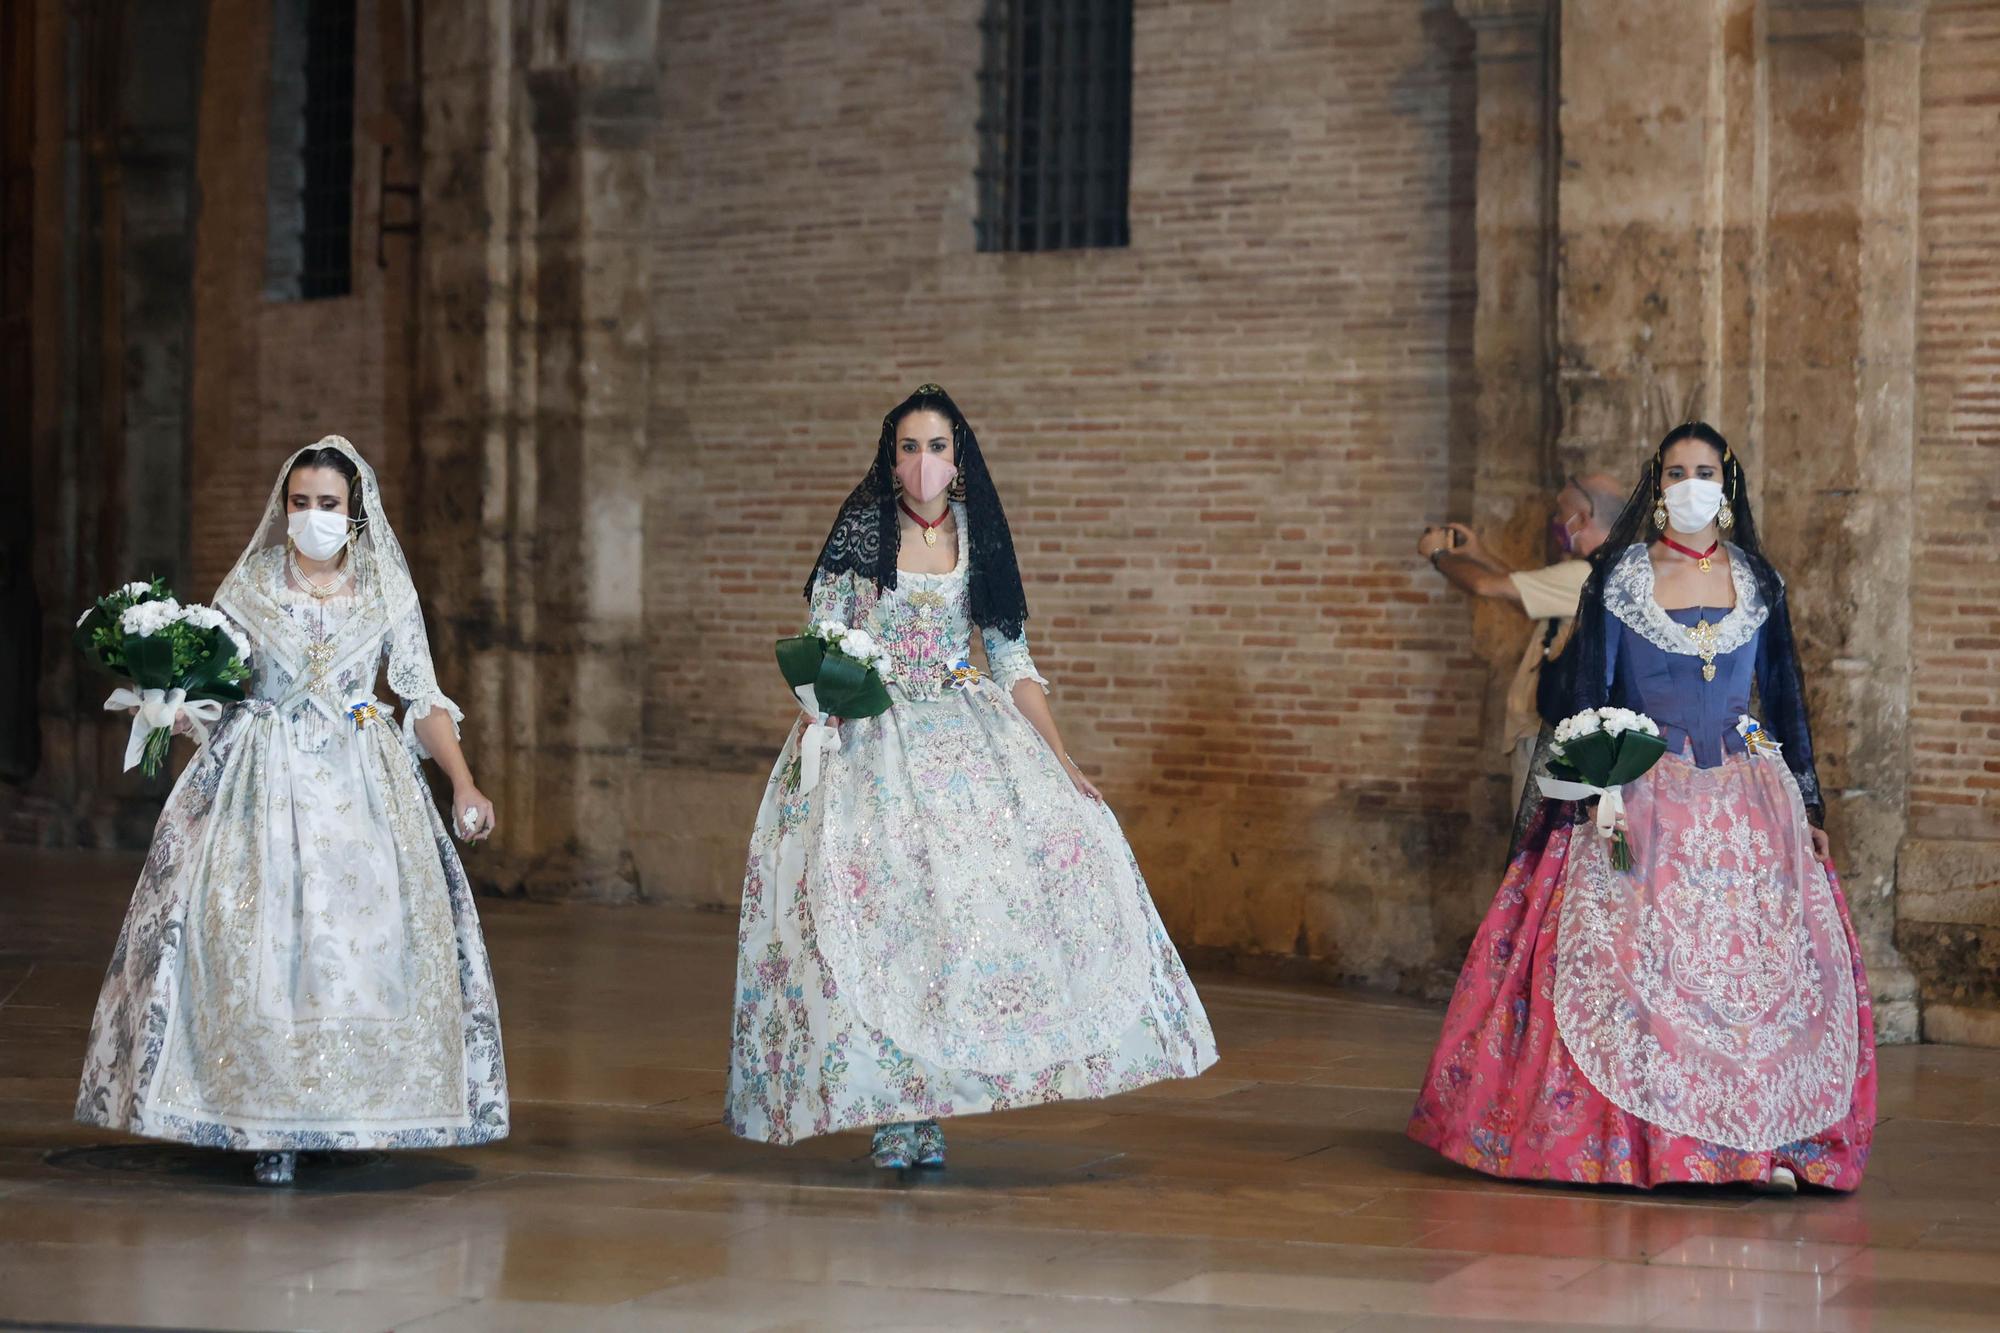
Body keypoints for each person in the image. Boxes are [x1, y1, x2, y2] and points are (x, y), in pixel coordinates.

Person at [724, 385, 1217, 1169]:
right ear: (893, 459)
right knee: (885, 912)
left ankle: (941, 1093)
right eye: (911, 448)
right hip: (872, 738)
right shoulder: (863, 529)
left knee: (975, 909)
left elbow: (1011, 658)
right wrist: (831, 709)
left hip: (962, 726)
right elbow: (823, 642)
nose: (925, 463)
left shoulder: (977, 536)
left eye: (939, 448)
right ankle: (893, 1108)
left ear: (960, 462)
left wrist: (1060, 758)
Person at [1406, 422, 1875, 1193]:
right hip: (1641, 796)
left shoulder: (1760, 581)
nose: (1688, 483)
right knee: (1636, 976)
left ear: (1726, 483)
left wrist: (1811, 803)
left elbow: (1786, 701)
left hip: (1745, 801)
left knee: (1754, 986)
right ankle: (1636, 1138)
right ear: (1656, 489)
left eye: (1703, 470)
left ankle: (1761, 1145)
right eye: (1673, 472)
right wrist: (1599, 792)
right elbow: (1591, 694)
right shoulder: (1619, 578)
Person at [75, 438, 509, 1186]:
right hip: (259, 781)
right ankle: (258, 1121)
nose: (312, 516)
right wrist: (175, 707)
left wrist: (464, 783)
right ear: (283, 507)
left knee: (358, 947)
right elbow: (223, 688)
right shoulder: (249, 587)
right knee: (255, 941)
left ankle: (348, 1111)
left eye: (328, 505)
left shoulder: (384, 591)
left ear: (355, 513)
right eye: (300, 502)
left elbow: (422, 696)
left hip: (362, 787)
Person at [1417, 475, 1625, 799]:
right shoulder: (1608, 569)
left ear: (1582, 519)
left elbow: (1484, 586)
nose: (1555, 522)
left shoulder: (1582, 576)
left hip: (1548, 737)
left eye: (1560, 513)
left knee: (1532, 844)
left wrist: (1439, 555)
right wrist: (1479, 555)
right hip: (1558, 733)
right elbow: (1525, 595)